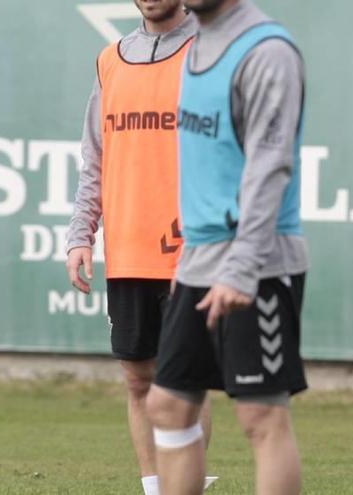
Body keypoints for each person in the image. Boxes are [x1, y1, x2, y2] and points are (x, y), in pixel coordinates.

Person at [143, 0, 309, 494]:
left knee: (261, 415)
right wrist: (191, 258)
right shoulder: (197, 43)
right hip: (200, 260)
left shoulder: (268, 51)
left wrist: (241, 268)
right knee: (168, 405)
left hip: (257, 262)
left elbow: (270, 167)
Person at [65, 2, 214, 494]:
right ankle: (154, 488)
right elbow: (95, 157)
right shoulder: (110, 59)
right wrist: (80, 235)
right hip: (127, 247)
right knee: (136, 379)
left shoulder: (209, 51)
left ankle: (183, 487)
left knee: (183, 380)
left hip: (189, 249)